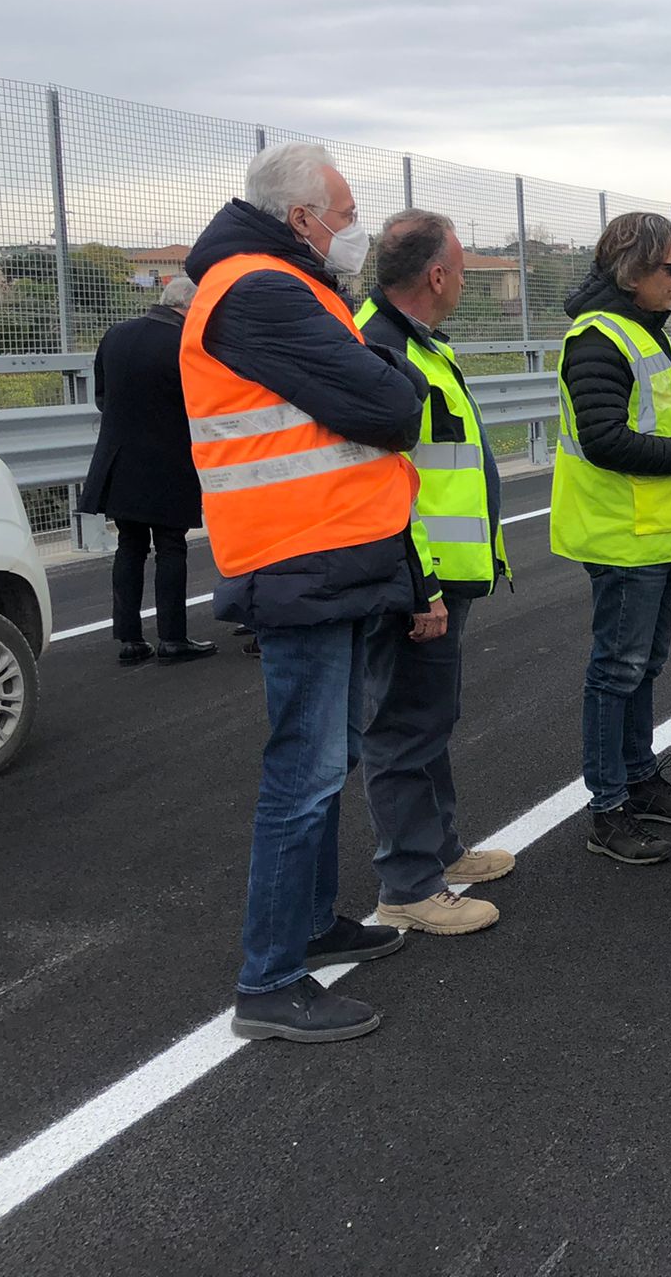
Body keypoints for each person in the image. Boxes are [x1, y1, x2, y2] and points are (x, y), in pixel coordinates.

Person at [182, 143, 428, 1043]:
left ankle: (315, 926)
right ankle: (270, 980)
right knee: (304, 771)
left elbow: (377, 384)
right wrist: (387, 380)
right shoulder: (259, 289)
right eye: (344, 212)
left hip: (330, 557)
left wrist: (382, 377)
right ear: (301, 219)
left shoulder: (284, 283)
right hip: (298, 559)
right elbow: (391, 402)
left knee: (334, 759)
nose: (353, 230)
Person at [553, 211, 671, 864]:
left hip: (650, 533)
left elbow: (643, 422)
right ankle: (607, 809)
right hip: (620, 535)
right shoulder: (601, 338)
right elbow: (604, 437)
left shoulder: (638, 331)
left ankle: (638, 776)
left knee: (642, 666)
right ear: (632, 271)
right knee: (617, 671)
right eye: (670, 266)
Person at [354, 210, 510, 936]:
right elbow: (385, 483)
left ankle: (440, 851)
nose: (466, 282)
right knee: (402, 727)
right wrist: (421, 586)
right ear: (437, 275)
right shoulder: (382, 350)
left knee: (430, 718)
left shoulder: (411, 343)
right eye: (463, 269)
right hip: (420, 581)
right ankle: (408, 884)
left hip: (440, 574)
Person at [79, 277, 215, 667]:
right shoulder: (186, 346)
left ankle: (130, 639)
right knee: (171, 546)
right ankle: (172, 638)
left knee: (130, 545)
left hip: (120, 460)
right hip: (169, 461)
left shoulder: (116, 335)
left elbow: (102, 397)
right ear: (188, 308)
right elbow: (200, 405)